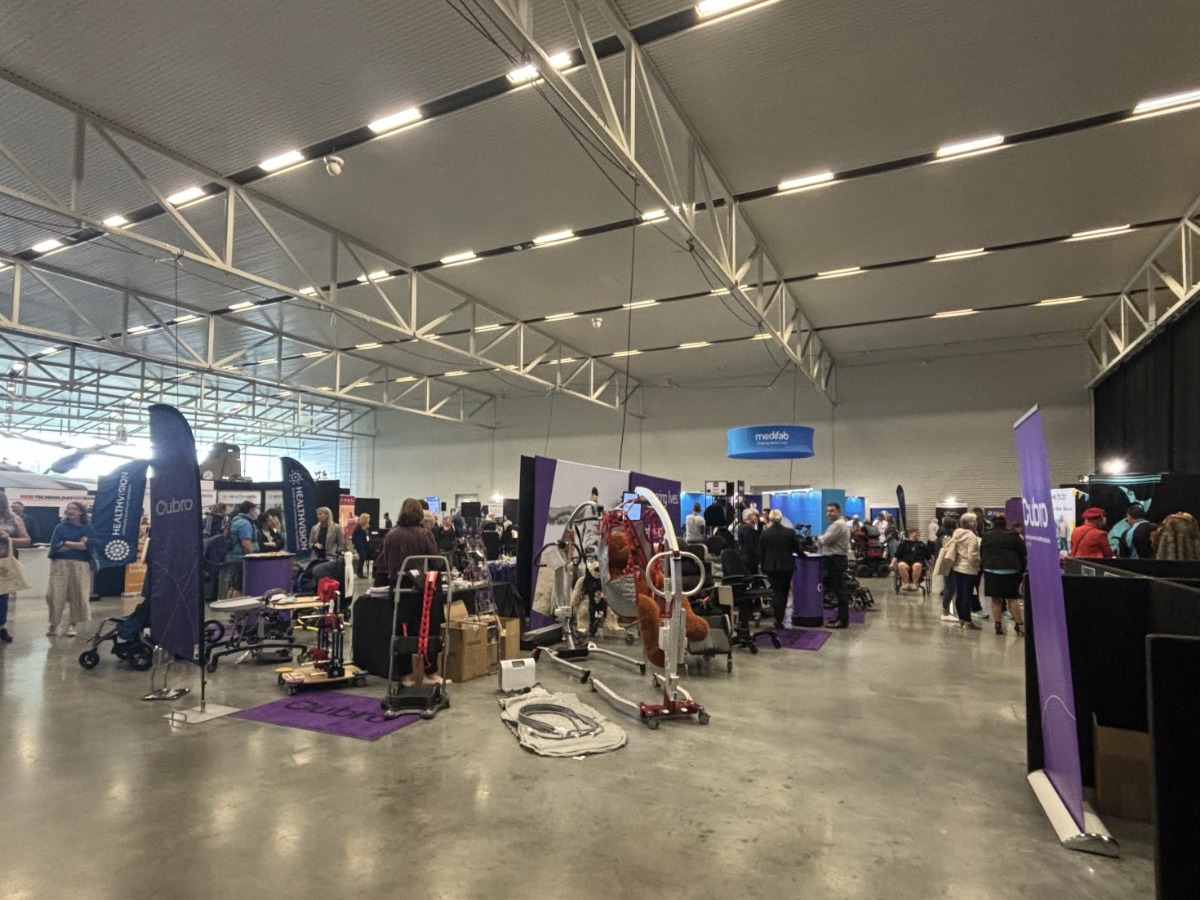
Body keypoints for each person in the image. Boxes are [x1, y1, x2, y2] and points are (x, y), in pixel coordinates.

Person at [46, 500, 92, 638]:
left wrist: (65, 543)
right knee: (54, 594)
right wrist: (76, 544)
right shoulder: (60, 527)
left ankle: (73, 623)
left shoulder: (87, 527)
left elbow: (87, 546)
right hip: (60, 563)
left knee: (78, 594)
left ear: (81, 512)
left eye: (74, 509)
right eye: (69, 508)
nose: (70, 511)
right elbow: (55, 546)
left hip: (80, 564)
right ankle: (54, 623)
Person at [980, 514, 1026, 636]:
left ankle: (998, 626)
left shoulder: (986, 535)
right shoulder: (1013, 536)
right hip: (1011, 571)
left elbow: (982, 553)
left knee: (996, 600)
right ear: (1006, 523)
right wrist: (1021, 570)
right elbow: (1023, 553)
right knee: (1012, 599)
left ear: (993, 523)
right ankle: (1020, 625)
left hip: (991, 570)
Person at [759, 508, 800, 630]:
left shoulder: (765, 533)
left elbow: (761, 551)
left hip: (770, 566)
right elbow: (797, 549)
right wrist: (804, 555)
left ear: (770, 518)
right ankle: (780, 617)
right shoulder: (790, 532)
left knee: (776, 592)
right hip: (786, 565)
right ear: (781, 518)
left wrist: (762, 565)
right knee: (784, 591)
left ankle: (777, 618)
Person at [0, 492, 32, 643]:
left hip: (4, 562)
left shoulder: (14, 519)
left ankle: (1, 626)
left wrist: (8, 538)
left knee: (2, 596)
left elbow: (26, 540)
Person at [943, 512, 982, 630]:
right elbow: (972, 556)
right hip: (969, 569)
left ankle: (961, 620)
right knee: (968, 595)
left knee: (959, 595)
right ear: (973, 523)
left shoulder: (957, 533)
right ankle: (968, 621)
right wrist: (979, 563)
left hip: (956, 567)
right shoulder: (972, 537)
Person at [816, 502, 851, 629]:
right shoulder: (837, 524)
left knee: (840, 591)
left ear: (838, 511)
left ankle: (842, 620)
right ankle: (840, 617)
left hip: (835, 560)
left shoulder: (837, 525)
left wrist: (819, 538)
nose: (829, 513)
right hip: (835, 559)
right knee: (836, 590)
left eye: (832, 511)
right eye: (827, 511)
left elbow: (824, 540)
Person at [224, 500, 259, 597]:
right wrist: (252, 557)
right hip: (242, 559)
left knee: (233, 586)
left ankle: (230, 605)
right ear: (250, 510)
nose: (255, 512)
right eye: (255, 510)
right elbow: (246, 544)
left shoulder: (236, 521)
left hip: (234, 558)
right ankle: (237, 606)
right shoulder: (245, 524)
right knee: (240, 587)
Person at [936, 515, 959, 622]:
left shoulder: (942, 535)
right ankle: (945, 612)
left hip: (946, 563)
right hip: (948, 563)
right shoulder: (946, 537)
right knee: (949, 587)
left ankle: (947, 611)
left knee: (949, 587)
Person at [736, 508, 761, 573]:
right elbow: (752, 546)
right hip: (750, 561)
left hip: (745, 558)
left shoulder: (742, 527)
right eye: (755, 515)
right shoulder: (748, 529)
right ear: (750, 516)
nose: (757, 518)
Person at [351, 512, 371, 577]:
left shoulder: (365, 527)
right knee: (362, 557)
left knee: (363, 558)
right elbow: (357, 539)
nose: (369, 519)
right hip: (360, 546)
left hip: (364, 546)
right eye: (368, 518)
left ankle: (360, 572)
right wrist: (360, 547)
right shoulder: (359, 528)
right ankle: (359, 573)